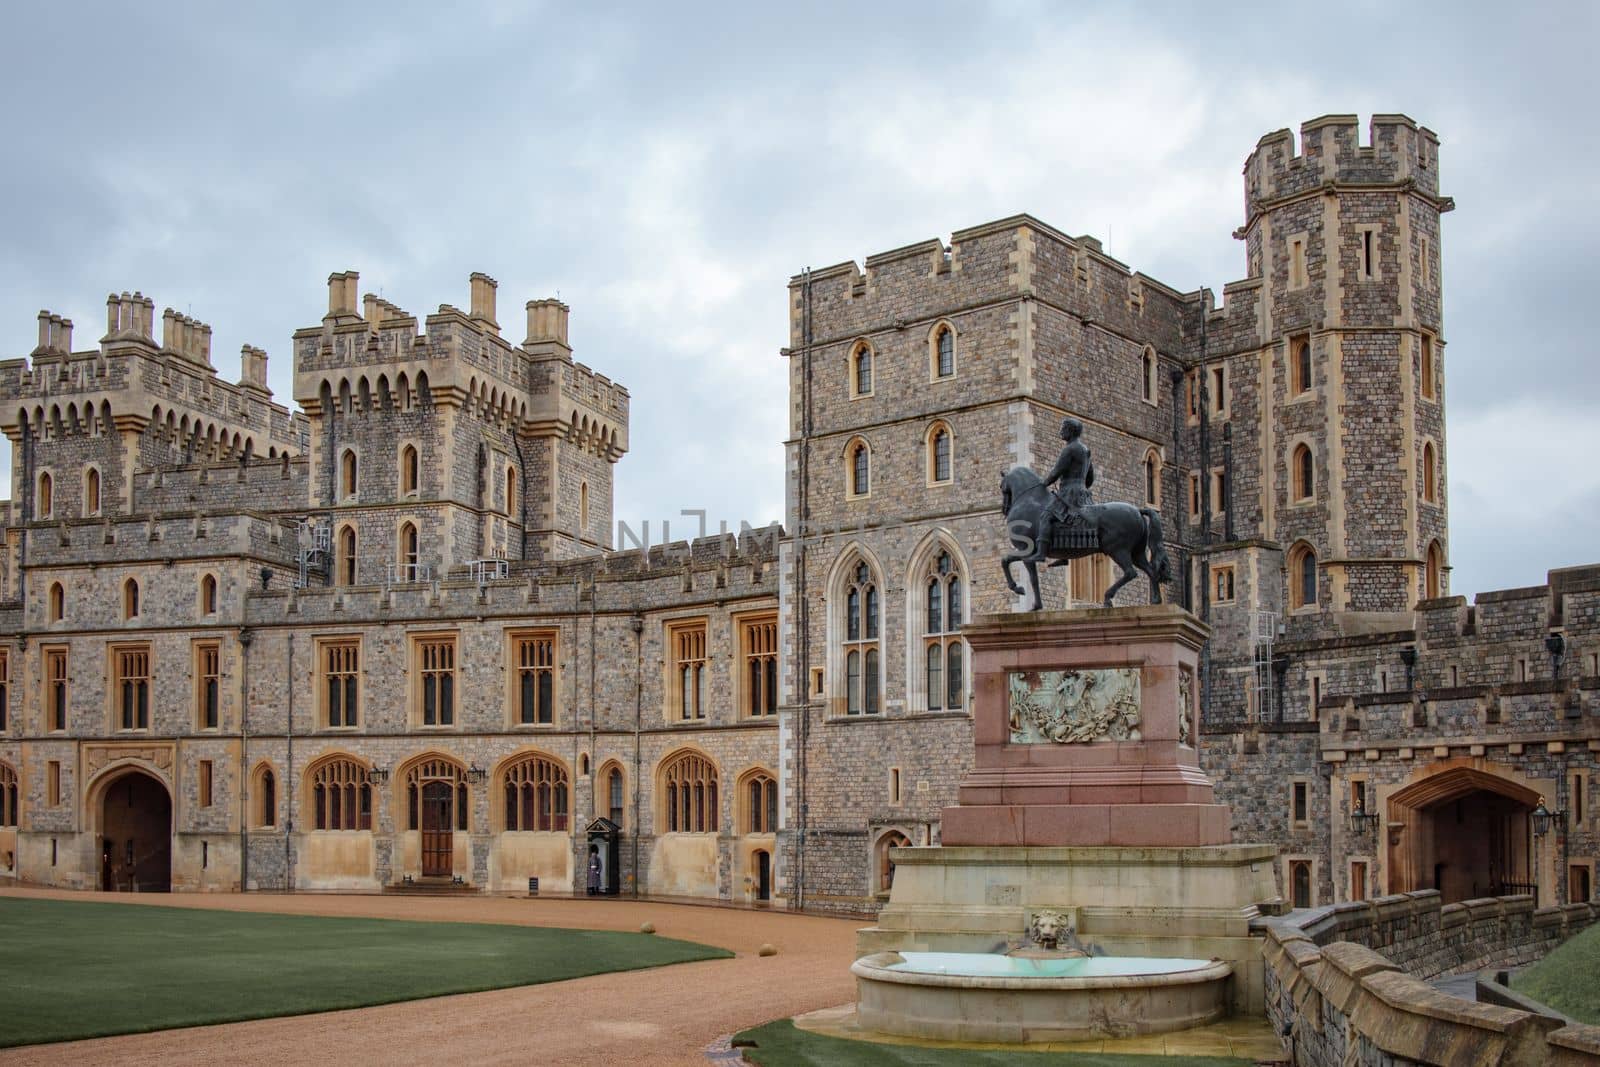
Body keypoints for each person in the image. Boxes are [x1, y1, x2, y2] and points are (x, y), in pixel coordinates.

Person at [1039, 417, 1096, 549]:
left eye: (1063, 428)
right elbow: (1090, 478)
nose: (1061, 431)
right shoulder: (1085, 450)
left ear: (1070, 431)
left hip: (1069, 492)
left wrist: (1044, 483)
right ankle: (1065, 551)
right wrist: (1081, 487)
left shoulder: (1069, 449)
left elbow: (1057, 471)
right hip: (1083, 493)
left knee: (1046, 516)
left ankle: (1040, 552)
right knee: (1069, 521)